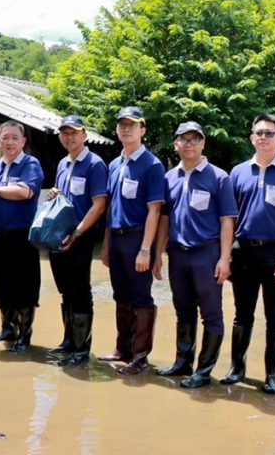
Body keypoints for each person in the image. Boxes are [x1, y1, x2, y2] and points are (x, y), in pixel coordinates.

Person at [152, 122, 237, 388]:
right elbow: (165, 218)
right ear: (176, 144)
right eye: (184, 139)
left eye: (195, 139)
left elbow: (227, 220)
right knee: (183, 310)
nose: (189, 144)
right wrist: (158, 254)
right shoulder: (169, 177)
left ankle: (204, 371)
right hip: (178, 253)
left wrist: (224, 258)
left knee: (211, 314)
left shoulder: (219, 177)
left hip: (207, 253)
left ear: (203, 143)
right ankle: (183, 362)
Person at [222, 113, 275, 394]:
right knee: (242, 314)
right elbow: (229, 218)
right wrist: (225, 255)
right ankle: (236, 369)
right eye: (259, 133)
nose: (263, 137)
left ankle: (272, 375)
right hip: (243, 252)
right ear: (252, 138)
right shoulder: (238, 172)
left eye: (269, 133)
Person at [99, 106, 165, 375]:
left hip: (138, 239)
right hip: (116, 238)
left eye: (132, 125)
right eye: (122, 125)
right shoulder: (115, 164)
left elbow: (155, 210)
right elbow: (110, 207)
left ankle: (140, 357)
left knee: (141, 297)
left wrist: (146, 249)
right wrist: (106, 244)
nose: (126, 129)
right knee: (120, 295)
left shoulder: (152, 165)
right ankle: (122, 349)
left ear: (142, 130)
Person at [46, 115, 107, 365]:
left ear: (84, 135)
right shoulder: (63, 163)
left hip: (80, 236)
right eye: (65, 133)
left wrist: (78, 233)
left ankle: (81, 351)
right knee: (66, 290)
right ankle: (69, 342)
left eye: (74, 133)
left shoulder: (94, 164)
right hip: (59, 235)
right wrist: (54, 193)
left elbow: (99, 205)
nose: (69, 137)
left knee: (80, 291)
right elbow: (63, 198)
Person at [0, 121, 43, 353]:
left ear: (23, 141)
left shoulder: (30, 164)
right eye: (5, 137)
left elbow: (25, 192)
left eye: (14, 138)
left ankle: (24, 337)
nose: (9, 142)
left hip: (22, 235)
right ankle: (8, 328)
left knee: (24, 286)